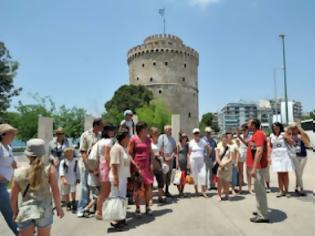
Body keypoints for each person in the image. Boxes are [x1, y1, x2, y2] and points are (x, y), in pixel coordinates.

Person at [10, 139, 64, 236]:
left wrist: (15, 212)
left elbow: (13, 197)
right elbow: (56, 191)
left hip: (26, 211)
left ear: (27, 155)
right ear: (43, 153)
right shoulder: (49, 169)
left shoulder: (18, 172)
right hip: (44, 211)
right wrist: (59, 207)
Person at [77, 118, 103, 217]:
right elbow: (83, 151)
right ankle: (82, 209)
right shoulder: (85, 135)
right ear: (96, 125)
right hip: (86, 166)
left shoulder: (101, 136)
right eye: (101, 125)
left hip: (97, 166)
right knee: (85, 188)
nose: (102, 127)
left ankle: (96, 207)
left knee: (96, 187)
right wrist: (88, 166)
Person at [128, 121, 154, 217]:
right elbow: (129, 154)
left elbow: (150, 152)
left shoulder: (148, 139)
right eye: (145, 128)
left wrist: (151, 164)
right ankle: (138, 209)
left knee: (148, 187)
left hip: (147, 167)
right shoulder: (133, 139)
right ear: (141, 129)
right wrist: (134, 164)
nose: (147, 130)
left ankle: (147, 207)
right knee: (138, 189)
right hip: (137, 167)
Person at [247, 119, 270, 223]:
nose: (247, 124)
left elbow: (259, 151)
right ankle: (260, 209)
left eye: (248, 123)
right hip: (258, 167)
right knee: (258, 191)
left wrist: (254, 168)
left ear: (253, 125)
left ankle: (263, 215)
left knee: (260, 191)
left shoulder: (259, 134)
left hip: (259, 167)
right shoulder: (256, 134)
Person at [109, 128, 131, 230]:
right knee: (116, 199)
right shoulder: (116, 148)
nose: (129, 139)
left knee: (121, 198)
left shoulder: (123, 148)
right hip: (117, 176)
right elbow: (113, 164)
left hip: (122, 177)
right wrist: (115, 178)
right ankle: (114, 221)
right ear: (124, 138)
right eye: (128, 137)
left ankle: (121, 219)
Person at [0, 124, 18, 235]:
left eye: (14, 133)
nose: (13, 135)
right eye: (11, 132)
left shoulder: (8, 147)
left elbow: (14, 164)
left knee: (14, 210)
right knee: (10, 212)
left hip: (6, 183)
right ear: (3, 134)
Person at [94, 124, 116, 220]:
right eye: (111, 130)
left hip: (101, 166)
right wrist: (112, 167)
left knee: (104, 191)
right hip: (106, 167)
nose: (113, 132)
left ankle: (100, 210)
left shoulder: (100, 141)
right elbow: (107, 156)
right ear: (107, 131)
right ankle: (99, 211)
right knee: (105, 191)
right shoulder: (109, 141)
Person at [268, 122, 293, 197]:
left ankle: (286, 191)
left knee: (285, 174)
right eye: (274, 127)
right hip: (275, 156)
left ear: (280, 127)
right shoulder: (271, 135)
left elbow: (291, 142)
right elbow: (270, 146)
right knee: (279, 174)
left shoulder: (283, 134)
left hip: (284, 156)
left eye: (277, 126)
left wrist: (286, 136)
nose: (275, 128)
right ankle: (281, 191)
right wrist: (269, 157)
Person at [288, 122, 311, 196]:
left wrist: (301, 136)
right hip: (294, 156)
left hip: (303, 156)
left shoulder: (302, 135)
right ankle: (300, 188)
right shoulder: (289, 136)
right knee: (298, 172)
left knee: (299, 172)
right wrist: (290, 128)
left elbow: (308, 144)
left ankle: (298, 187)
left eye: (295, 128)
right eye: (292, 128)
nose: (294, 129)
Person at [188, 128, 211, 198]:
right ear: (193, 135)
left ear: (199, 134)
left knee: (203, 175)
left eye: (197, 133)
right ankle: (196, 191)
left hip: (201, 161)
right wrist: (188, 162)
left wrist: (207, 156)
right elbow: (189, 153)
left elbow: (209, 148)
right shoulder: (191, 142)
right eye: (195, 133)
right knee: (195, 175)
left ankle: (203, 191)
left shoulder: (203, 141)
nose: (196, 134)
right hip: (193, 160)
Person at [157, 125, 177, 198]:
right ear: (164, 130)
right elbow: (159, 148)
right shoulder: (161, 137)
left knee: (169, 175)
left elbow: (175, 150)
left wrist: (171, 157)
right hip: (163, 158)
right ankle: (161, 191)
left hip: (171, 158)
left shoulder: (173, 139)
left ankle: (167, 190)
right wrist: (164, 158)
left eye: (169, 129)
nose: (167, 130)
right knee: (163, 175)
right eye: (166, 129)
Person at [59, 147, 80, 213]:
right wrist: (63, 178)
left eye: (70, 153)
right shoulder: (63, 162)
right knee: (66, 192)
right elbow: (61, 170)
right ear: (65, 154)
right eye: (67, 153)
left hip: (73, 178)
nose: (69, 155)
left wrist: (78, 178)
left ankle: (73, 202)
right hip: (65, 179)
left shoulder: (75, 161)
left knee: (73, 191)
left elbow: (77, 170)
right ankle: (68, 203)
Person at [150, 127, 166, 203]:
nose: (156, 134)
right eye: (155, 133)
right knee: (150, 182)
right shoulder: (149, 142)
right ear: (151, 134)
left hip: (159, 163)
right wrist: (155, 155)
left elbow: (162, 153)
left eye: (157, 133)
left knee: (161, 181)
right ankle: (150, 199)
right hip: (151, 163)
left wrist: (161, 153)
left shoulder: (159, 143)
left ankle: (160, 197)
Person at [216, 134, 233, 201]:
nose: (224, 141)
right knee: (219, 182)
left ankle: (227, 195)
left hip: (228, 167)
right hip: (220, 166)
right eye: (223, 139)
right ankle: (219, 195)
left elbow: (231, 158)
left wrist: (225, 163)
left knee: (227, 182)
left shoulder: (230, 147)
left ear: (227, 140)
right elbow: (217, 157)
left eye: (225, 139)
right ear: (221, 140)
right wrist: (220, 164)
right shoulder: (218, 147)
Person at [237, 124, 250, 193]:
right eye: (243, 130)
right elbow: (237, 146)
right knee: (240, 173)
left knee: (248, 172)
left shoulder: (250, 137)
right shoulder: (239, 137)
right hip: (241, 153)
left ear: (248, 130)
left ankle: (249, 189)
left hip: (247, 154)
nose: (244, 131)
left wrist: (239, 137)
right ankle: (240, 189)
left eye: (245, 130)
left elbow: (247, 144)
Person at [176, 133, 190, 197]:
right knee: (178, 177)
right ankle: (179, 191)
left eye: (185, 137)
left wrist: (188, 163)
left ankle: (182, 191)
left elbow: (188, 154)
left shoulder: (187, 145)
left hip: (185, 163)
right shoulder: (178, 144)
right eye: (183, 137)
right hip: (179, 162)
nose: (184, 138)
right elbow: (177, 154)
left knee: (184, 178)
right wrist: (177, 163)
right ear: (181, 137)